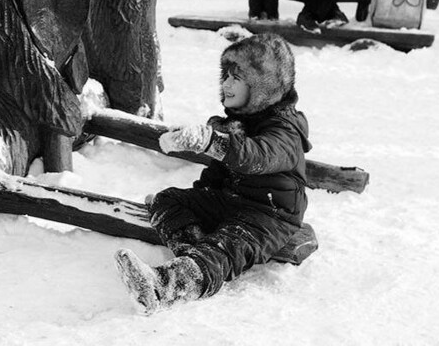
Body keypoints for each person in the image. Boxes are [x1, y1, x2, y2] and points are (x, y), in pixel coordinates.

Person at [114, 33, 310, 315]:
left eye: (236, 78)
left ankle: (163, 287)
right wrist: (200, 198)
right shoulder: (237, 122)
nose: (226, 84)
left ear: (262, 87)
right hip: (232, 200)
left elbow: (255, 157)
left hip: (269, 214)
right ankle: (193, 253)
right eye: (225, 76)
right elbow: (218, 172)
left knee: (227, 245)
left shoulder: (285, 131)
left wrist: (210, 142)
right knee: (167, 200)